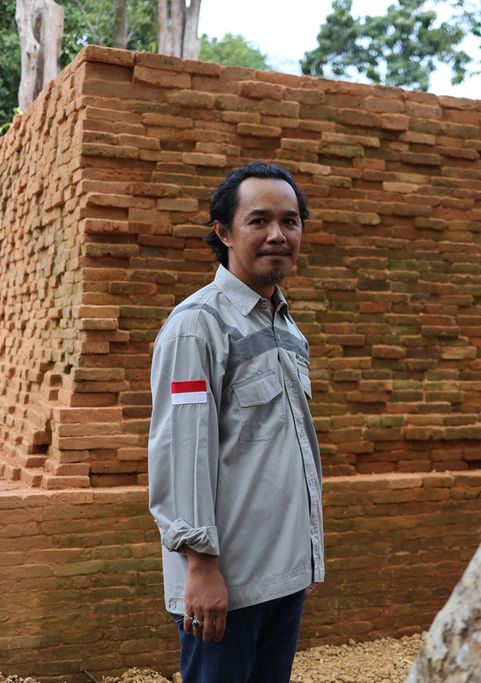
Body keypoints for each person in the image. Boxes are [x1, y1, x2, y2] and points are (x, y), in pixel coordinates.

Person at [147, 162, 325, 682]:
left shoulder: (288, 330)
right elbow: (184, 452)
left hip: (281, 576)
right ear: (224, 232)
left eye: (290, 222)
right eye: (259, 221)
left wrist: (306, 554)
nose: (278, 235)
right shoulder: (196, 327)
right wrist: (200, 569)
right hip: (224, 584)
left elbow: (284, 452)